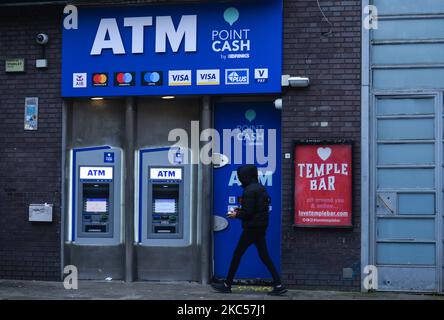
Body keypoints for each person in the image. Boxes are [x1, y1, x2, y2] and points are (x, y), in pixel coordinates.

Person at [211, 164, 287, 296]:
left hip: (251, 229)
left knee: (237, 254)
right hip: (260, 227)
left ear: (245, 176)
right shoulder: (260, 188)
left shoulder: (249, 191)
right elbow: (255, 209)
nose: (240, 178)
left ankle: (227, 284)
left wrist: (236, 214)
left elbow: (248, 213)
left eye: (241, 176)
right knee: (264, 256)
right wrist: (240, 211)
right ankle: (278, 284)